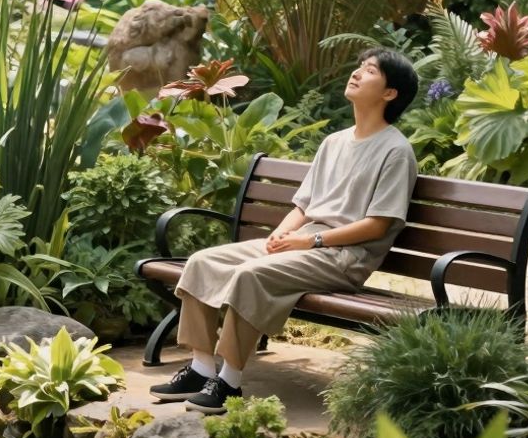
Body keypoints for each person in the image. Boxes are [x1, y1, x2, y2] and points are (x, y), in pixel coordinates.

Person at [149, 48, 420, 414]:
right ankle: (201, 368)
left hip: (342, 256)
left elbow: (378, 224)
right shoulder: (334, 142)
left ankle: (228, 382)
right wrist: (279, 237)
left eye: (369, 70)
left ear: (390, 93)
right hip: (305, 244)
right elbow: (303, 206)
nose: (356, 73)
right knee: (201, 262)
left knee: (250, 275)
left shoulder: (396, 151)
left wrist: (310, 240)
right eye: (358, 66)